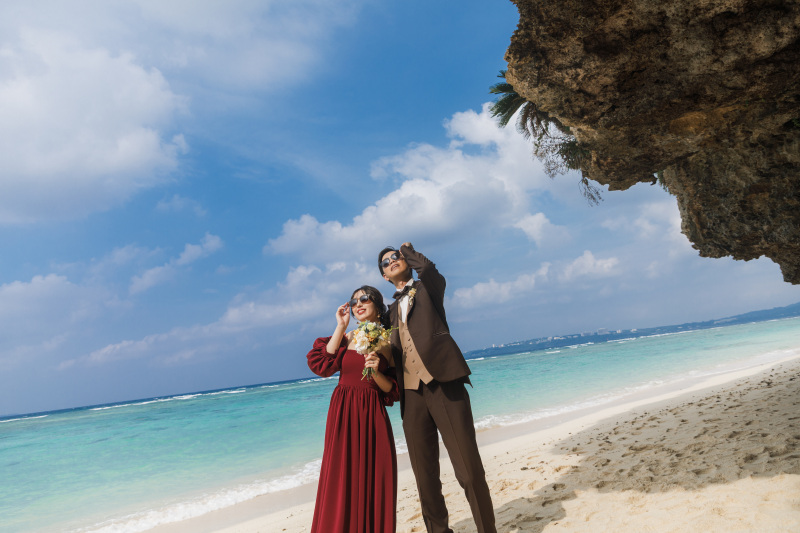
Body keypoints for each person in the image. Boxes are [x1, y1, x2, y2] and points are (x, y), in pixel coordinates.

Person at [379, 243, 496, 533]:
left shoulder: (428, 288)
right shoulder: (389, 313)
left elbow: (429, 269)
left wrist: (410, 252)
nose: (392, 261)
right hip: (411, 395)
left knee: (468, 471)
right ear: (384, 277)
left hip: (444, 383)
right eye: (386, 262)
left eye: (396, 257)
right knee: (425, 480)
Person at [306, 285, 400, 533]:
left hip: (371, 414)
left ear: (377, 306)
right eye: (354, 300)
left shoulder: (389, 342)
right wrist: (340, 326)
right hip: (342, 413)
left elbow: (391, 389)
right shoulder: (346, 338)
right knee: (340, 477)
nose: (358, 303)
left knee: (371, 479)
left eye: (365, 298)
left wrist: (376, 368)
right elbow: (322, 366)